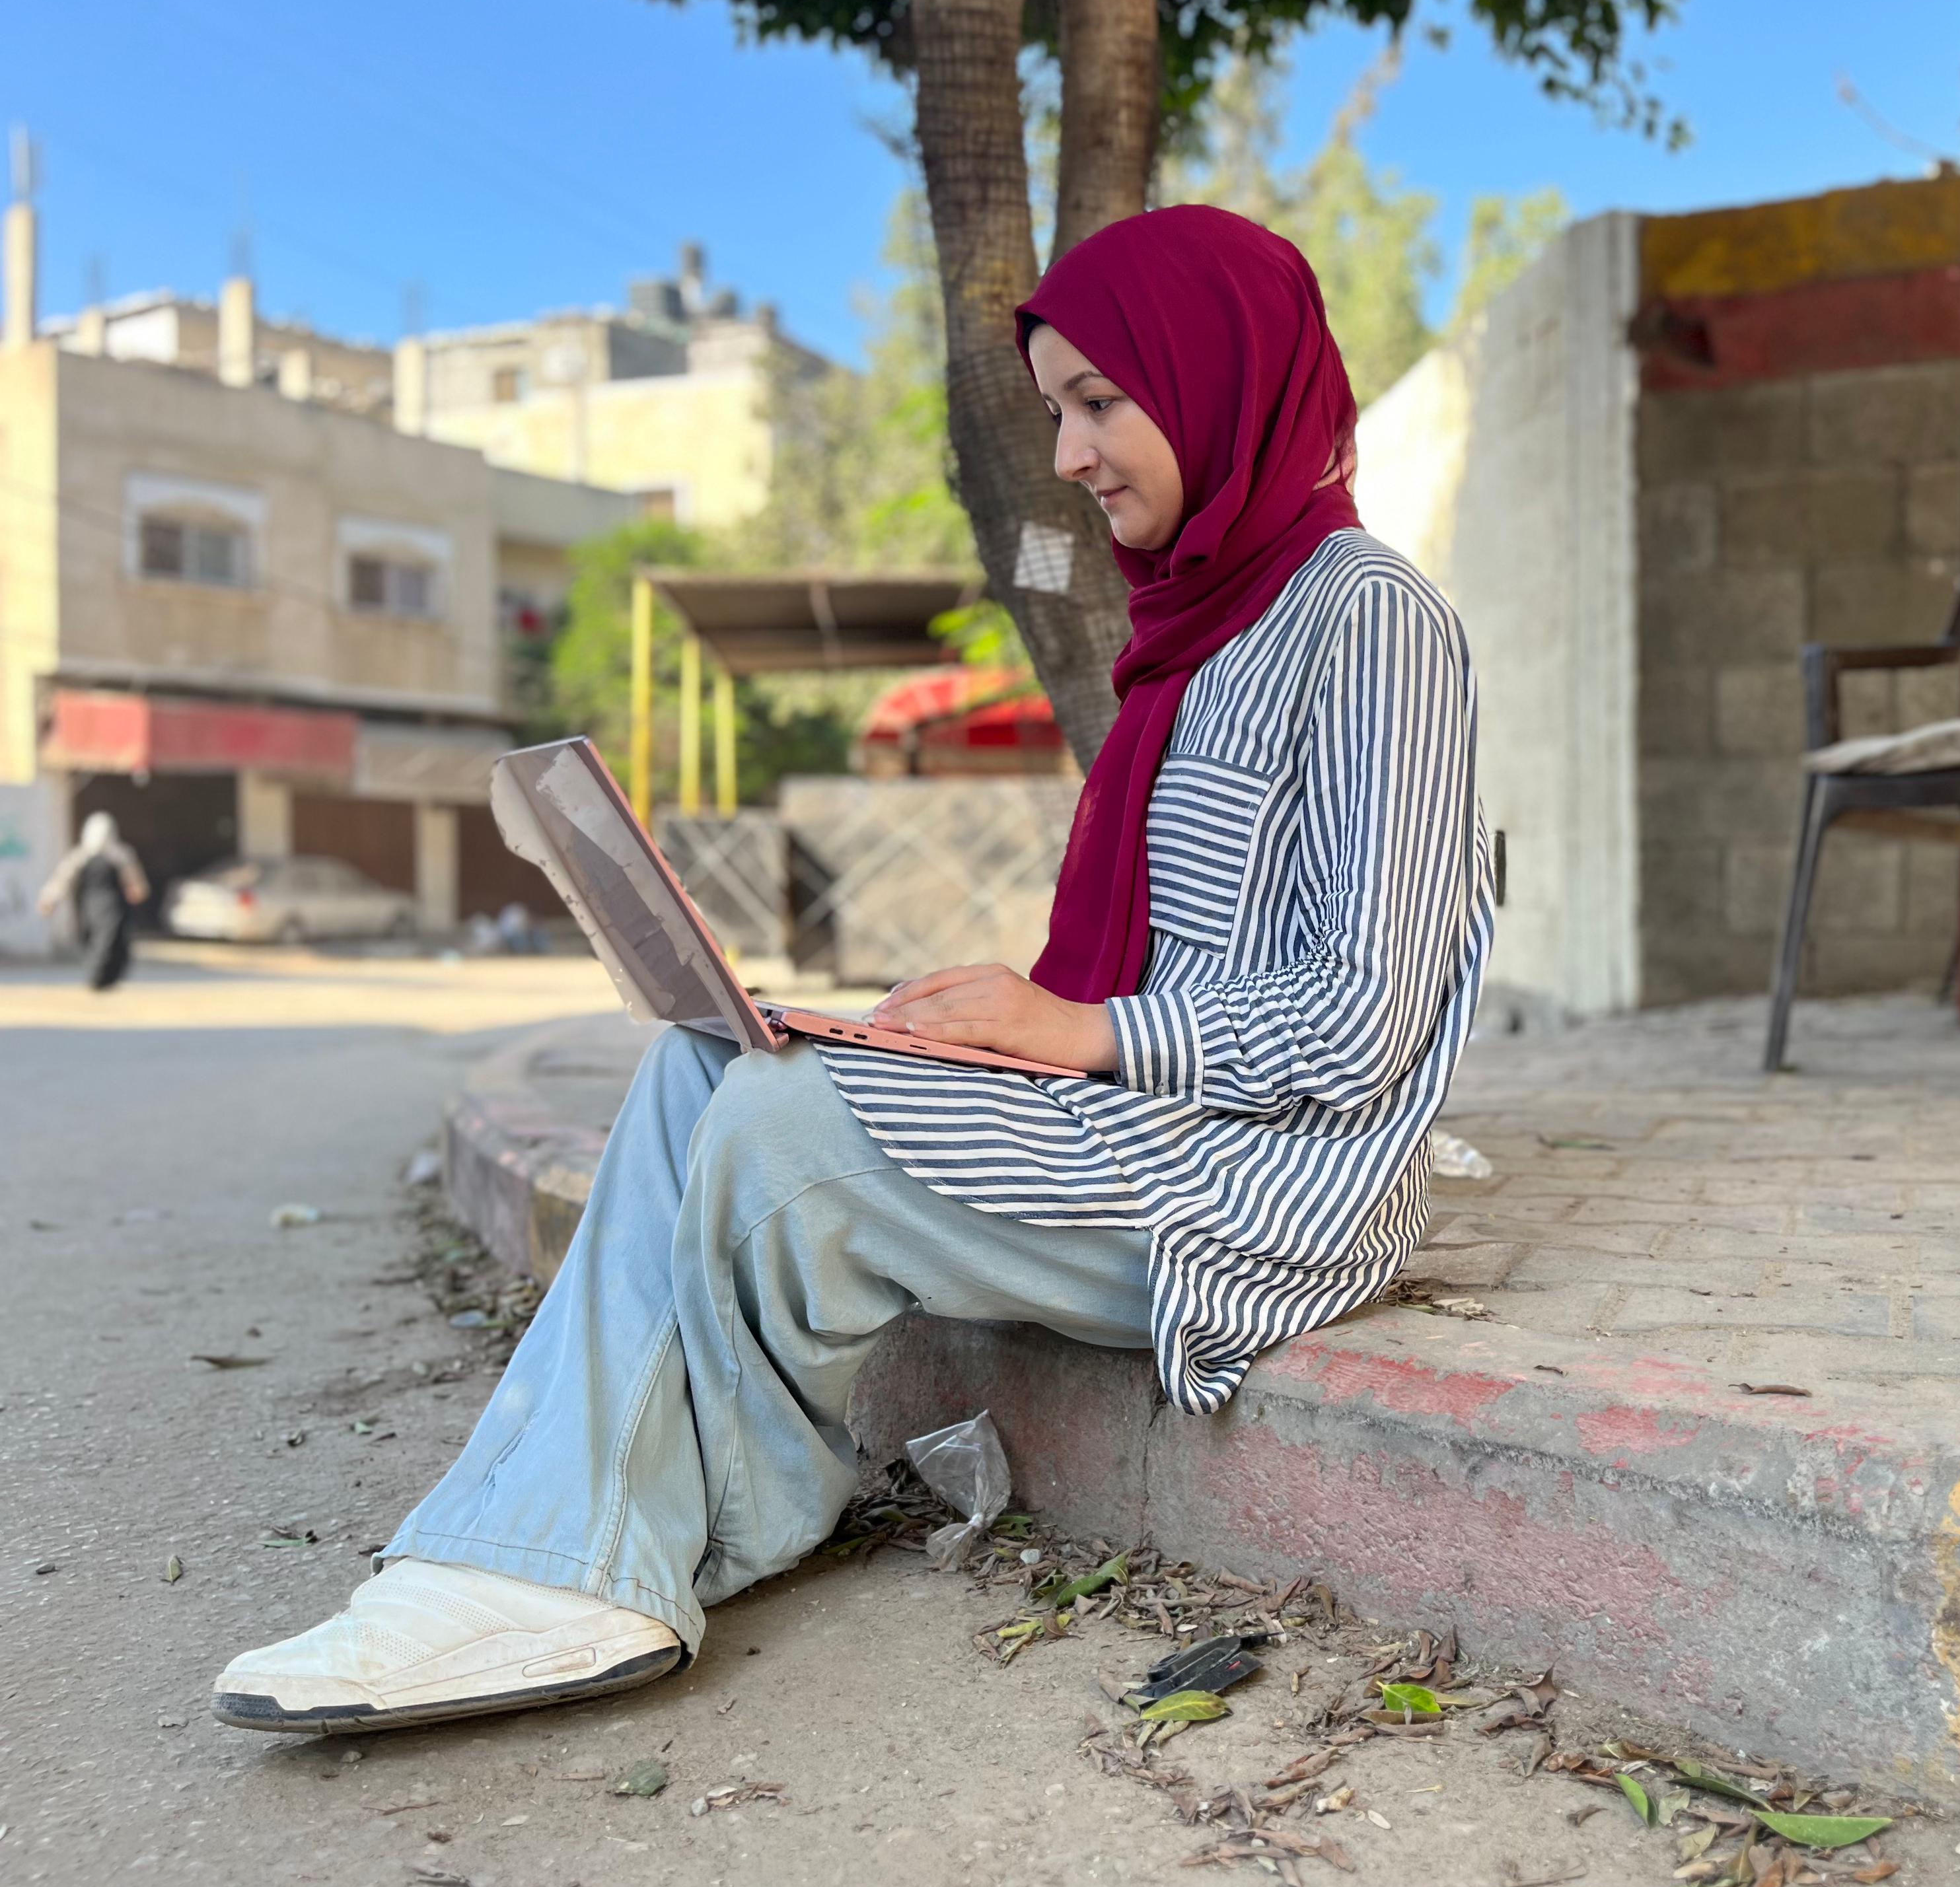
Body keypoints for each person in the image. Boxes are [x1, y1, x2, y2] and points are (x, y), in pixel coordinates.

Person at [208, 205, 1495, 1735]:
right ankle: (560, 1545)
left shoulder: (1372, 623)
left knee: (783, 1138)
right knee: (708, 1063)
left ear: (1220, 376)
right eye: (1056, 411)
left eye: (1100, 403)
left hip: (1261, 1181)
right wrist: (996, 1026)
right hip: (1135, 1118)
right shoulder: (1197, 629)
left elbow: (1367, 1016)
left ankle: (591, 1561)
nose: (1073, 455)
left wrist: (1082, 1029)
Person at [37, 810, 149, 992]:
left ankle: (107, 980)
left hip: (113, 907)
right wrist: (49, 899)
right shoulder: (82, 856)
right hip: (91, 906)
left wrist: (137, 892)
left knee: (113, 942)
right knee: (94, 942)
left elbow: (135, 882)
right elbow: (63, 879)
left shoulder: (119, 854)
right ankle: (97, 979)